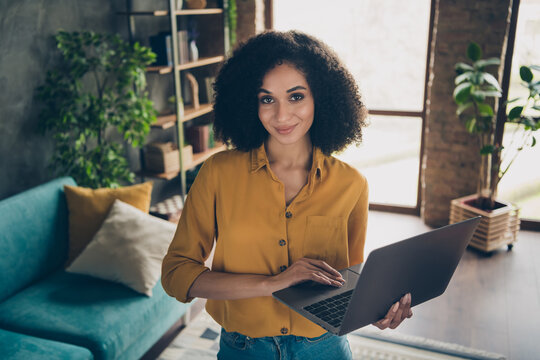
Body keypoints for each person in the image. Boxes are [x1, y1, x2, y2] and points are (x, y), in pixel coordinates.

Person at [161, 30, 412, 360]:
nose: (281, 115)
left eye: (296, 97)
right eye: (267, 99)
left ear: (319, 97)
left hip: (323, 348)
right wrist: (271, 283)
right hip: (243, 349)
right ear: (250, 102)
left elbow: (347, 283)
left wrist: (378, 310)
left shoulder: (352, 185)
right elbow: (176, 273)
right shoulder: (218, 174)